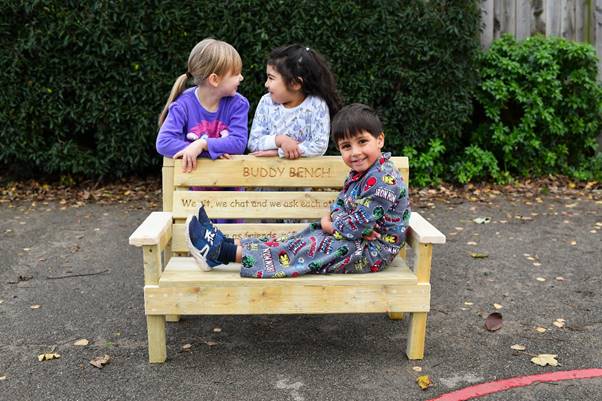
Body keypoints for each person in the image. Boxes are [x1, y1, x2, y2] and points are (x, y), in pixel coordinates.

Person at [185, 104, 411, 278]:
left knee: (307, 248)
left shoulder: (382, 180)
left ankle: (220, 254)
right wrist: (335, 220)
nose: (355, 152)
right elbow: (341, 207)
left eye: (363, 142)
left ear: (380, 140)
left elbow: (356, 226)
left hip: (371, 253)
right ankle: (228, 243)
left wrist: (331, 223)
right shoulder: (362, 173)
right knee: (301, 236)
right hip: (357, 242)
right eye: (346, 146)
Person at [156, 38, 249, 172]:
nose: (241, 78)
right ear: (214, 80)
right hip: (192, 187)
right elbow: (164, 143)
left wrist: (203, 144)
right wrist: (206, 151)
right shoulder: (183, 105)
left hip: (228, 187)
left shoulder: (238, 104)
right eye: (235, 74)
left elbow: (238, 143)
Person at [247, 44, 341, 159]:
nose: (266, 84)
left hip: (303, 174)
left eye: (271, 78)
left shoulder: (316, 105)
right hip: (268, 174)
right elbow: (254, 142)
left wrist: (280, 152)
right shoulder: (266, 102)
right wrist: (280, 140)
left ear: (295, 83)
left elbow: (319, 145)